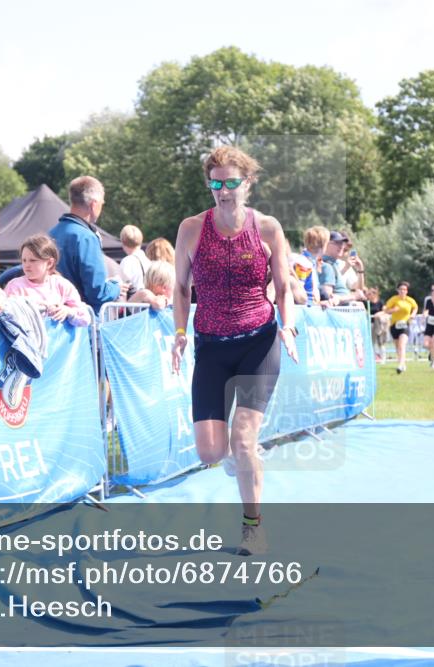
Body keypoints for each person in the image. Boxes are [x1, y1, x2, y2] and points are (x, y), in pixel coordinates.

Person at [170, 146, 297, 557]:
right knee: (211, 451)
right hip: (211, 346)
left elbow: (284, 287)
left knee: (243, 439)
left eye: (231, 183)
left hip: (259, 342)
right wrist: (179, 331)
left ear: (248, 183)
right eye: (215, 183)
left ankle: (253, 528)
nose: (223, 191)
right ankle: (237, 456)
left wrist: (289, 326)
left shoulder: (267, 228)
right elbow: (180, 288)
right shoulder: (191, 228)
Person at [50, 176, 128, 312]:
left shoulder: (50, 234)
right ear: (94, 204)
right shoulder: (87, 238)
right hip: (83, 318)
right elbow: (97, 293)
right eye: (102, 203)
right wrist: (116, 287)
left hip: (54, 316)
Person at [3, 234, 90, 325]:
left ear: (49, 263)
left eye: (32, 260)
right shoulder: (15, 286)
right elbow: (5, 317)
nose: (27, 265)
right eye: (24, 260)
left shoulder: (61, 284)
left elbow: (85, 318)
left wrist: (68, 311)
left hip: (57, 334)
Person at [383, 281, 419, 374]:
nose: (402, 291)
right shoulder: (394, 299)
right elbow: (386, 310)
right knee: (397, 346)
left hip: (405, 324)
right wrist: (393, 310)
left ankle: (400, 365)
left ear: (407, 291)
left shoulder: (410, 300)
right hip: (394, 325)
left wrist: (413, 314)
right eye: (401, 289)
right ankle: (402, 363)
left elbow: (415, 307)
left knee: (402, 345)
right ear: (397, 290)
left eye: (404, 289)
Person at [319, 231, 364, 305]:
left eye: (342, 243)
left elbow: (358, 289)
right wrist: (353, 296)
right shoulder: (326, 266)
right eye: (337, 243)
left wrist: (360, 269)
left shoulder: (333, 264)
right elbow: (329, 300)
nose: (341, 246)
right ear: (326, 244)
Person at [299, 225, 328, 305]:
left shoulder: (311, 262)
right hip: (306, 308)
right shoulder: (303, 263)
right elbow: (299, 291)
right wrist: (317, 304)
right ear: (322, 245)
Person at [119, 224, 150, 298]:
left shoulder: (126, 261)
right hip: (147, 300)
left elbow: (122, 286)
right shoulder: (148, 261)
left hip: (134, 302)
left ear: (123, 242)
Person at [365, 287, 389, 362]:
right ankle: (373, 357)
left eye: (370, 294)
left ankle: (383, 358)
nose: (368, 295)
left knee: (381, 342)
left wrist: (378, 314)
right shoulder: (366, 303)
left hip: (380, 324)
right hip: (370, 324)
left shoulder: (380, 302)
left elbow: (385, 311)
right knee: (372, 341)